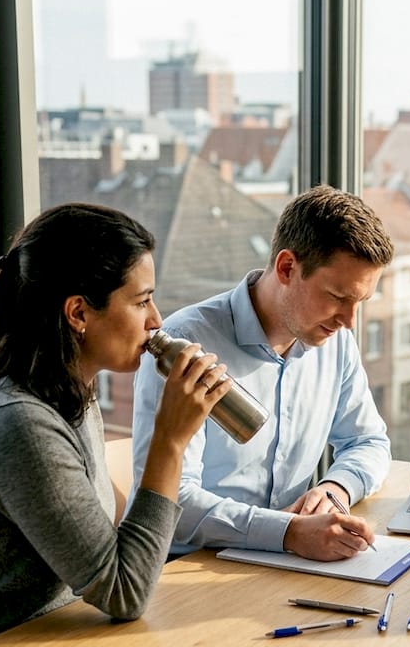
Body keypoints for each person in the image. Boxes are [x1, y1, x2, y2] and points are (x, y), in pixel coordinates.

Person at [0, 203, 231, 647]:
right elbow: (123, 592)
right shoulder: (19, 422)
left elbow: (109, 543)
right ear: (78, 313)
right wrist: (170, 441)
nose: (156, 319)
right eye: (140, 301)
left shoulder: (70, 392)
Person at [130, 184, 394, 562]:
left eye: (360, 302)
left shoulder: (334, 342)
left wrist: (336, 489)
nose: (349, 321)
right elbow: (169, 500)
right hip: (191, 566)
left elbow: (368, 442)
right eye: (338, 297)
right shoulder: (185, 345)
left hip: (285, 562)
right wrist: (288, 532)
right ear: (287, 268)